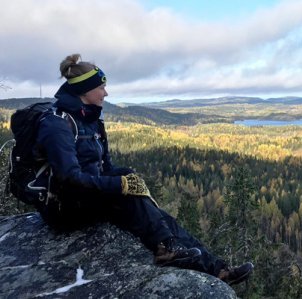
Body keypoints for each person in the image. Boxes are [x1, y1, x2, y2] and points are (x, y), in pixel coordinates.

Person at [33, 53, 253, 286]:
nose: (106, 93)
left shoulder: (92, 121)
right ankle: (166, 249)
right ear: (85, 91)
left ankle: (218, 269)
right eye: (101, 88)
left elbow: (105, 167)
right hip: (63, 207)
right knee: (129, 195)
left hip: (86, 196)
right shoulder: (57, 124)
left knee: (156, 212)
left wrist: (127, 177)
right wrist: (120, 185)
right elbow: (68, 178)